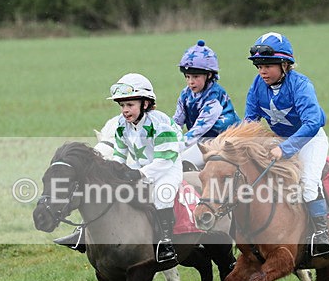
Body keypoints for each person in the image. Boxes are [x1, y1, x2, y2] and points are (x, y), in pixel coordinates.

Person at [54, 73, 183, 263]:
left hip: (166, 169)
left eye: (130, 105)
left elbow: (165, 159)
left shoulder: (160, 123)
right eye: (122, 105)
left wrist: (139, 173)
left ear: (145, 103)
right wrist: (113, 173)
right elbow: (119, 155)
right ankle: (83, 233)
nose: (125, 110)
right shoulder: (122, 125)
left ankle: (166, 243)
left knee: (162, 196)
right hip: (139, 167)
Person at [243, 32, 329, 258]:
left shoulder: (301, 85)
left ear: (285, 64)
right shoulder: (257, 85)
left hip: (309, 140)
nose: (262, 71)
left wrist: (285, 148)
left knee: (307, 183)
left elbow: (312, 123)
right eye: (258, 66)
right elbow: (249, 121)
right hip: (279, 140)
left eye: (267, 65)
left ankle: (321, 234)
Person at [174, 40, 241, 169]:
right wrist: (166, 138)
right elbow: (177, 121)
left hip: (224, 142)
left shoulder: (214, 96)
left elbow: (200, 128)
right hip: (204, 140)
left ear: (209, 75)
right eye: (187, 77)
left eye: (195, 77)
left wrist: (178, 145)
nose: (190, 82)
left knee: (181, 162)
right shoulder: (185, 94)